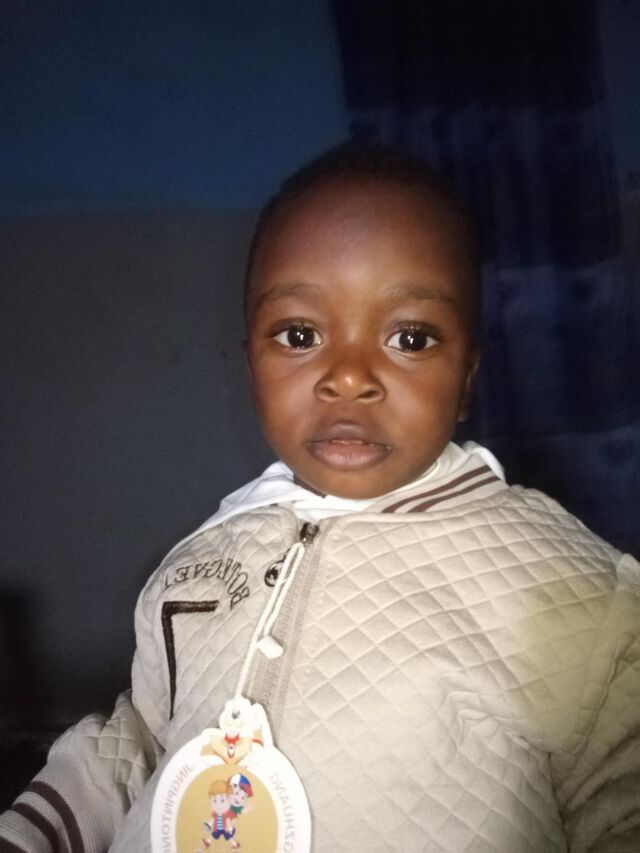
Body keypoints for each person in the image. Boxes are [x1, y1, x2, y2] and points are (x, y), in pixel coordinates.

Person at [1, 141, 639, 852]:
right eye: (300, 334)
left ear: (467, 379)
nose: (349, 376)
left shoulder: (573, 591)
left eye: (410, 337)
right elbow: (145, 737)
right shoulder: (199, 562)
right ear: (251, 361)